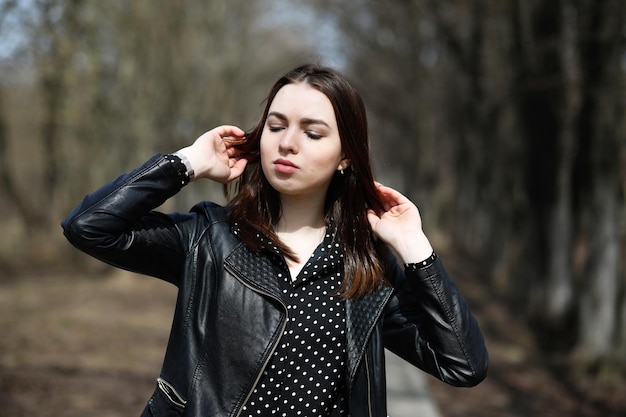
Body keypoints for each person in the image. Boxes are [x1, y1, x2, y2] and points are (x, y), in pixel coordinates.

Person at [62, 64, 488, 417]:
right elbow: (89, 225)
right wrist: (187, 162)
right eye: (276, 126)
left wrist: (415, 247)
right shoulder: (210, 240)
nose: (287, 143)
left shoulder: (367, 269)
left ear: (345, 156)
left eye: (312, 132)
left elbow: (462, 365)